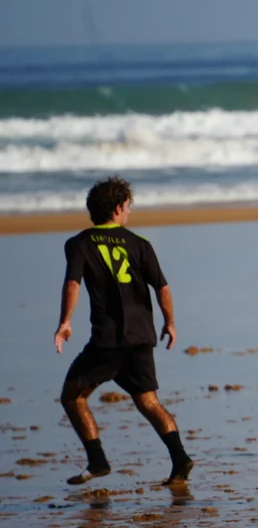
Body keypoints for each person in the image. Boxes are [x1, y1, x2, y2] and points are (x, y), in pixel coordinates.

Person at [53, 176, 193, 486]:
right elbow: (162, 287)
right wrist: (169, 323)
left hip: (109, 340)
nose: (129, 211)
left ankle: (98, 460)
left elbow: (73, 283)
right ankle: (180, 457)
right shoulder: (140, 243)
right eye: (128, 206)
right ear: (117, 208)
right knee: (148, 401)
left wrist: (65, 322)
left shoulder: (78, 243)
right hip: (142, 336)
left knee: (72, 397)